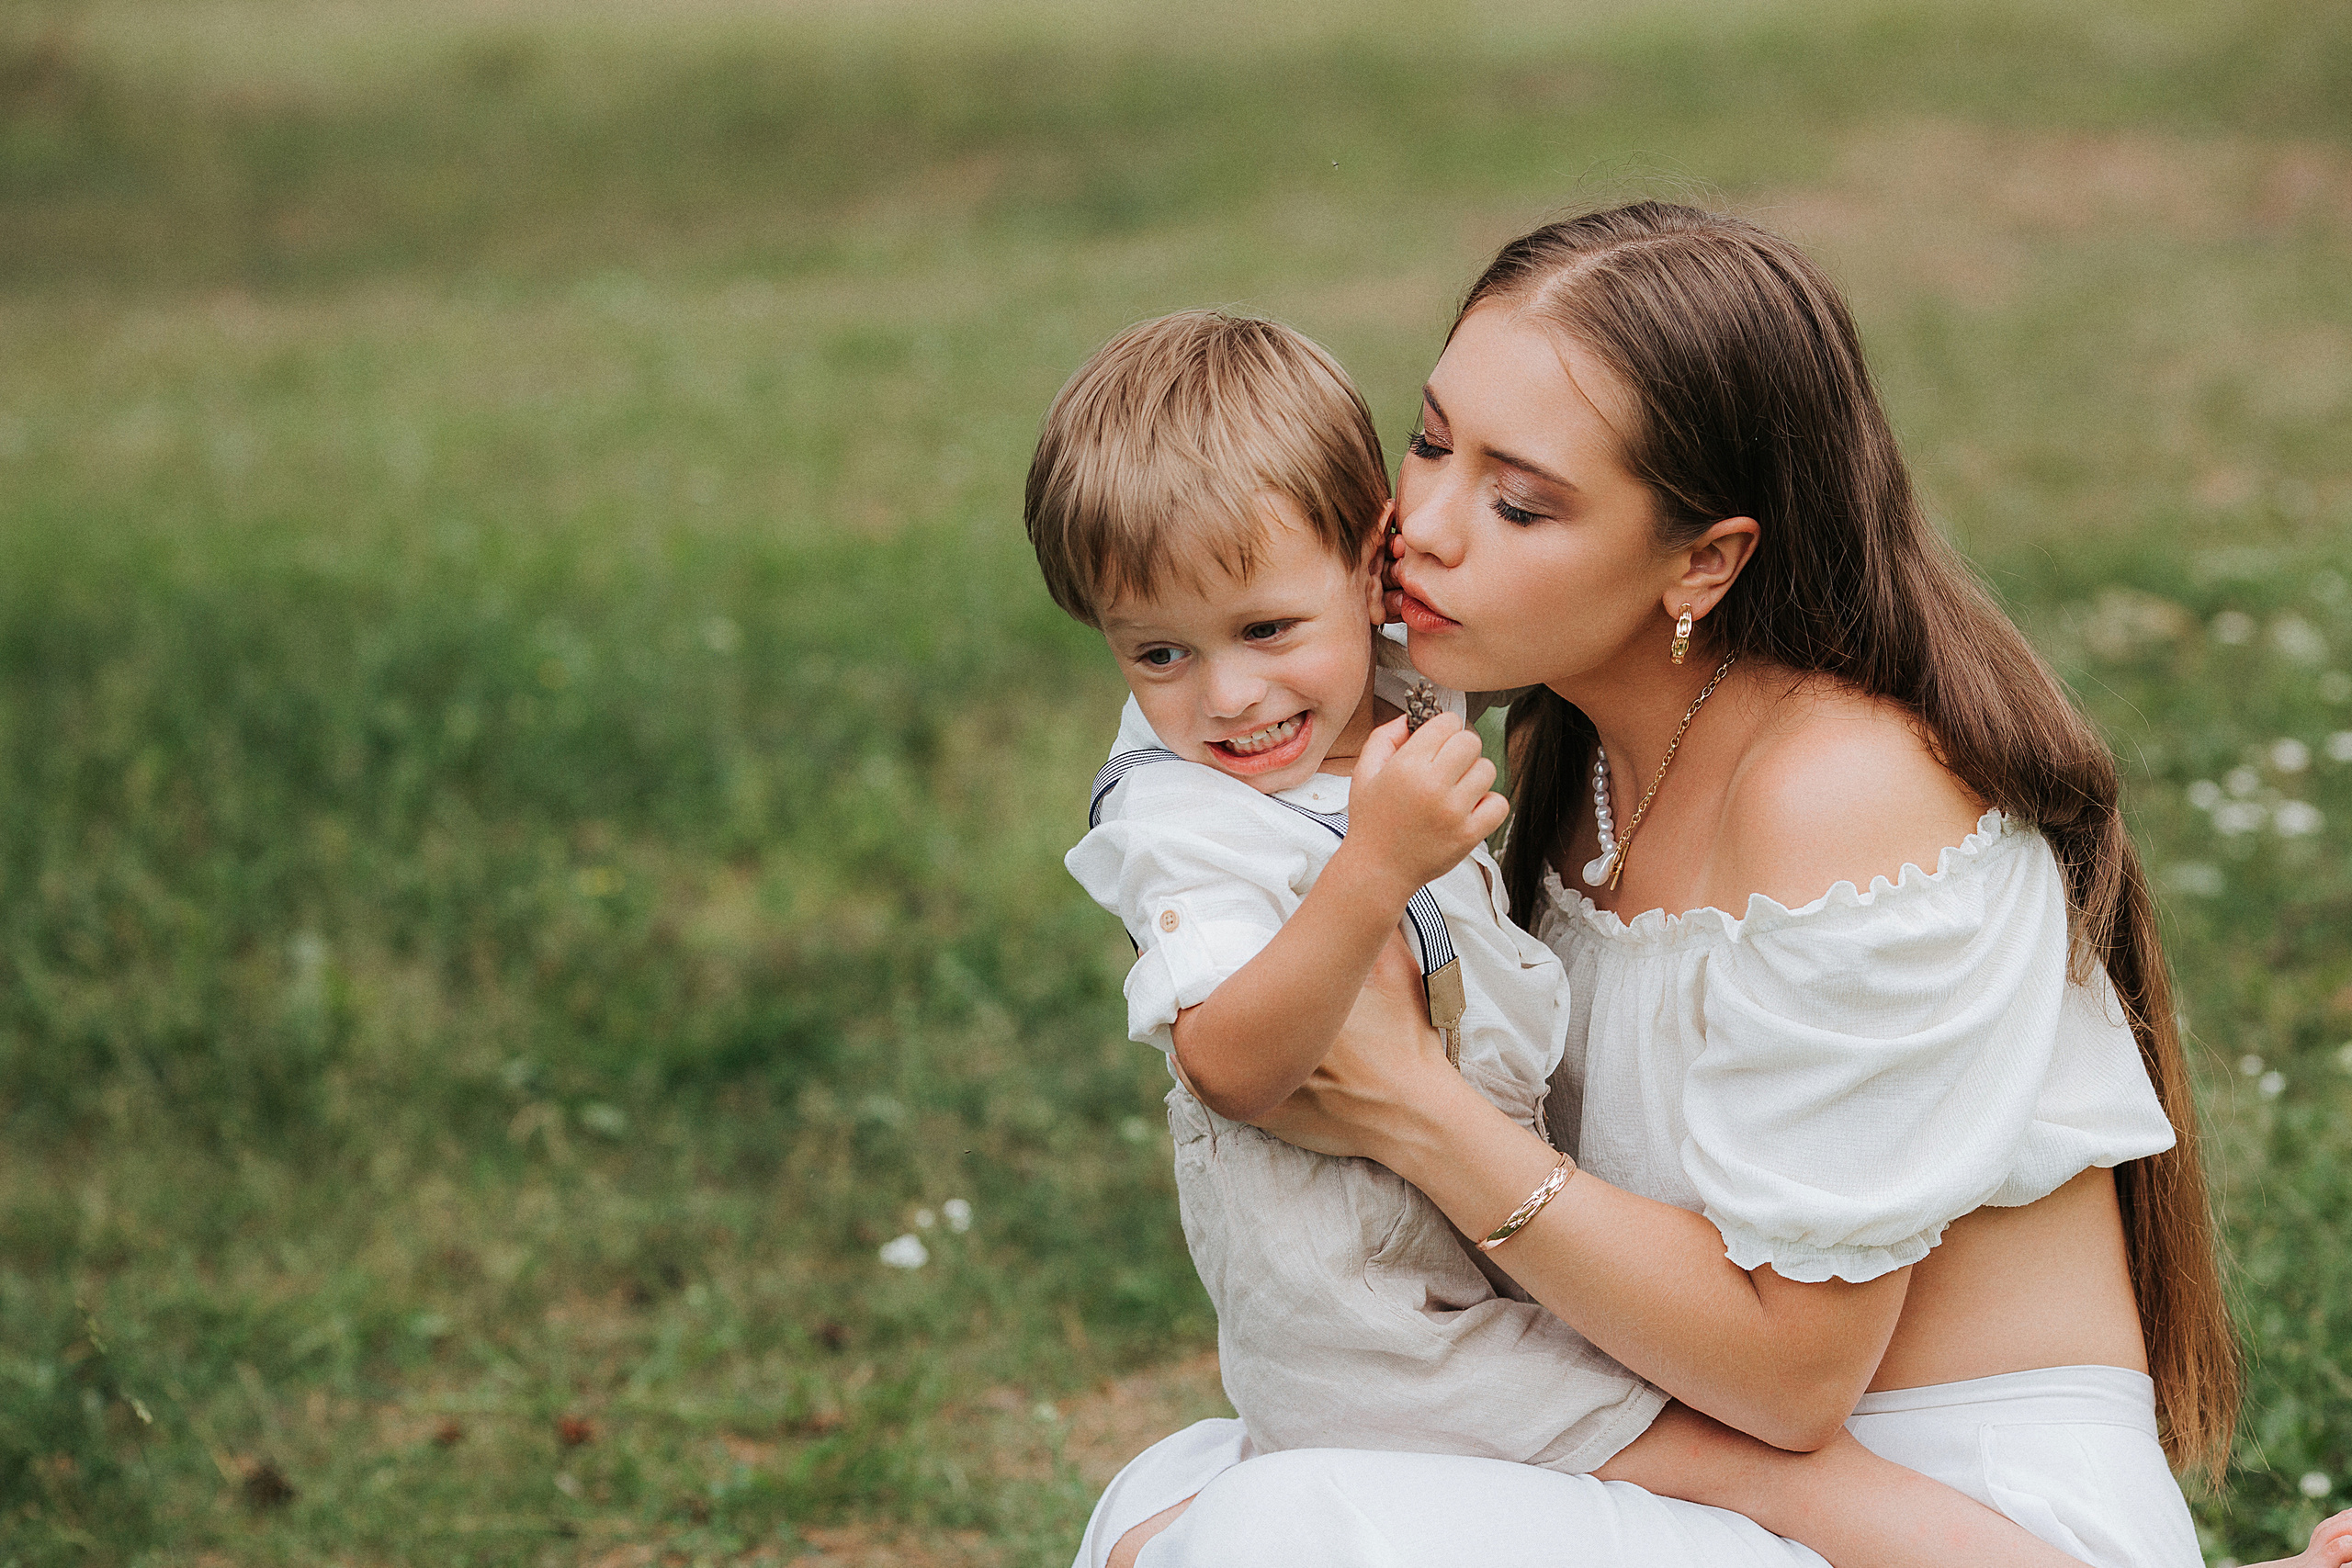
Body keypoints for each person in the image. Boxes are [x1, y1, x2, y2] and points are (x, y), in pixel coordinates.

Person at [1070, 208, 2352, 1568]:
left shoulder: (1841, 796)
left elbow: (1795, 1386)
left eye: (1520, 502)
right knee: (1166, 1505)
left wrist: (1413, 1108)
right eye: (1432, 441)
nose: (1421, 529)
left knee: (1279, 1531)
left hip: (1936, 1504)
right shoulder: (1571, 749)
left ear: (1704, 560)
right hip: (1696, 1444)